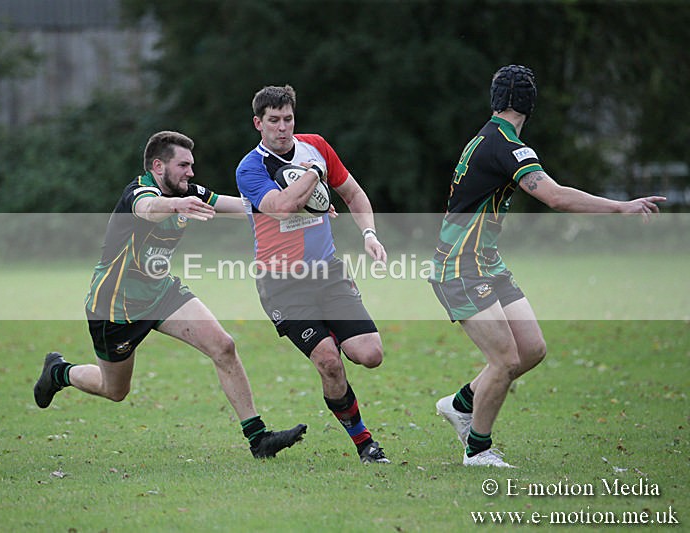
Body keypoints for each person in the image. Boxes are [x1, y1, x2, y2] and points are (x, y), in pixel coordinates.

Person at [430, 65, 665, 468]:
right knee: (504, 360)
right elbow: (553, 197)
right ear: (529, 104)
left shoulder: (490, 139)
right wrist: (619, 206)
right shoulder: (505, 144)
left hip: (487, 262)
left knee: (531, 350)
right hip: (459, 267)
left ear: (495, 100)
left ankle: (460, 404)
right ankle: (478, 451)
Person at [34, 130, 307, 459]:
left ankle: (258, 439)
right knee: (115, 390)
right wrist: (176, 203)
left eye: (191, 166)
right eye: (184, 165)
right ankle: (59, 372)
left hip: (161, 293)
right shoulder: (139, 192)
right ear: (159, 166)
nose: (191, 172)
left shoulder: (188, 191)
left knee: (223, 346)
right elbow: (148, 208)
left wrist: (287, 207)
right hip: (115, 307)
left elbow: (238, 205)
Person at [235, 85, 390, 464]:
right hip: (282, 284)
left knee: (370, 355)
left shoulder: (316, 146)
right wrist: (315, 175)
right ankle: (365, 444)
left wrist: (368, 234)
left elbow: (353, 194)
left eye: (288, 119)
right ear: (258, 123)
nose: (283, 128)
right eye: (273, 121)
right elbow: (284, 207)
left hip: (328, 273)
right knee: (329, 361)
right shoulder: (250, 168)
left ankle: (332, 330)